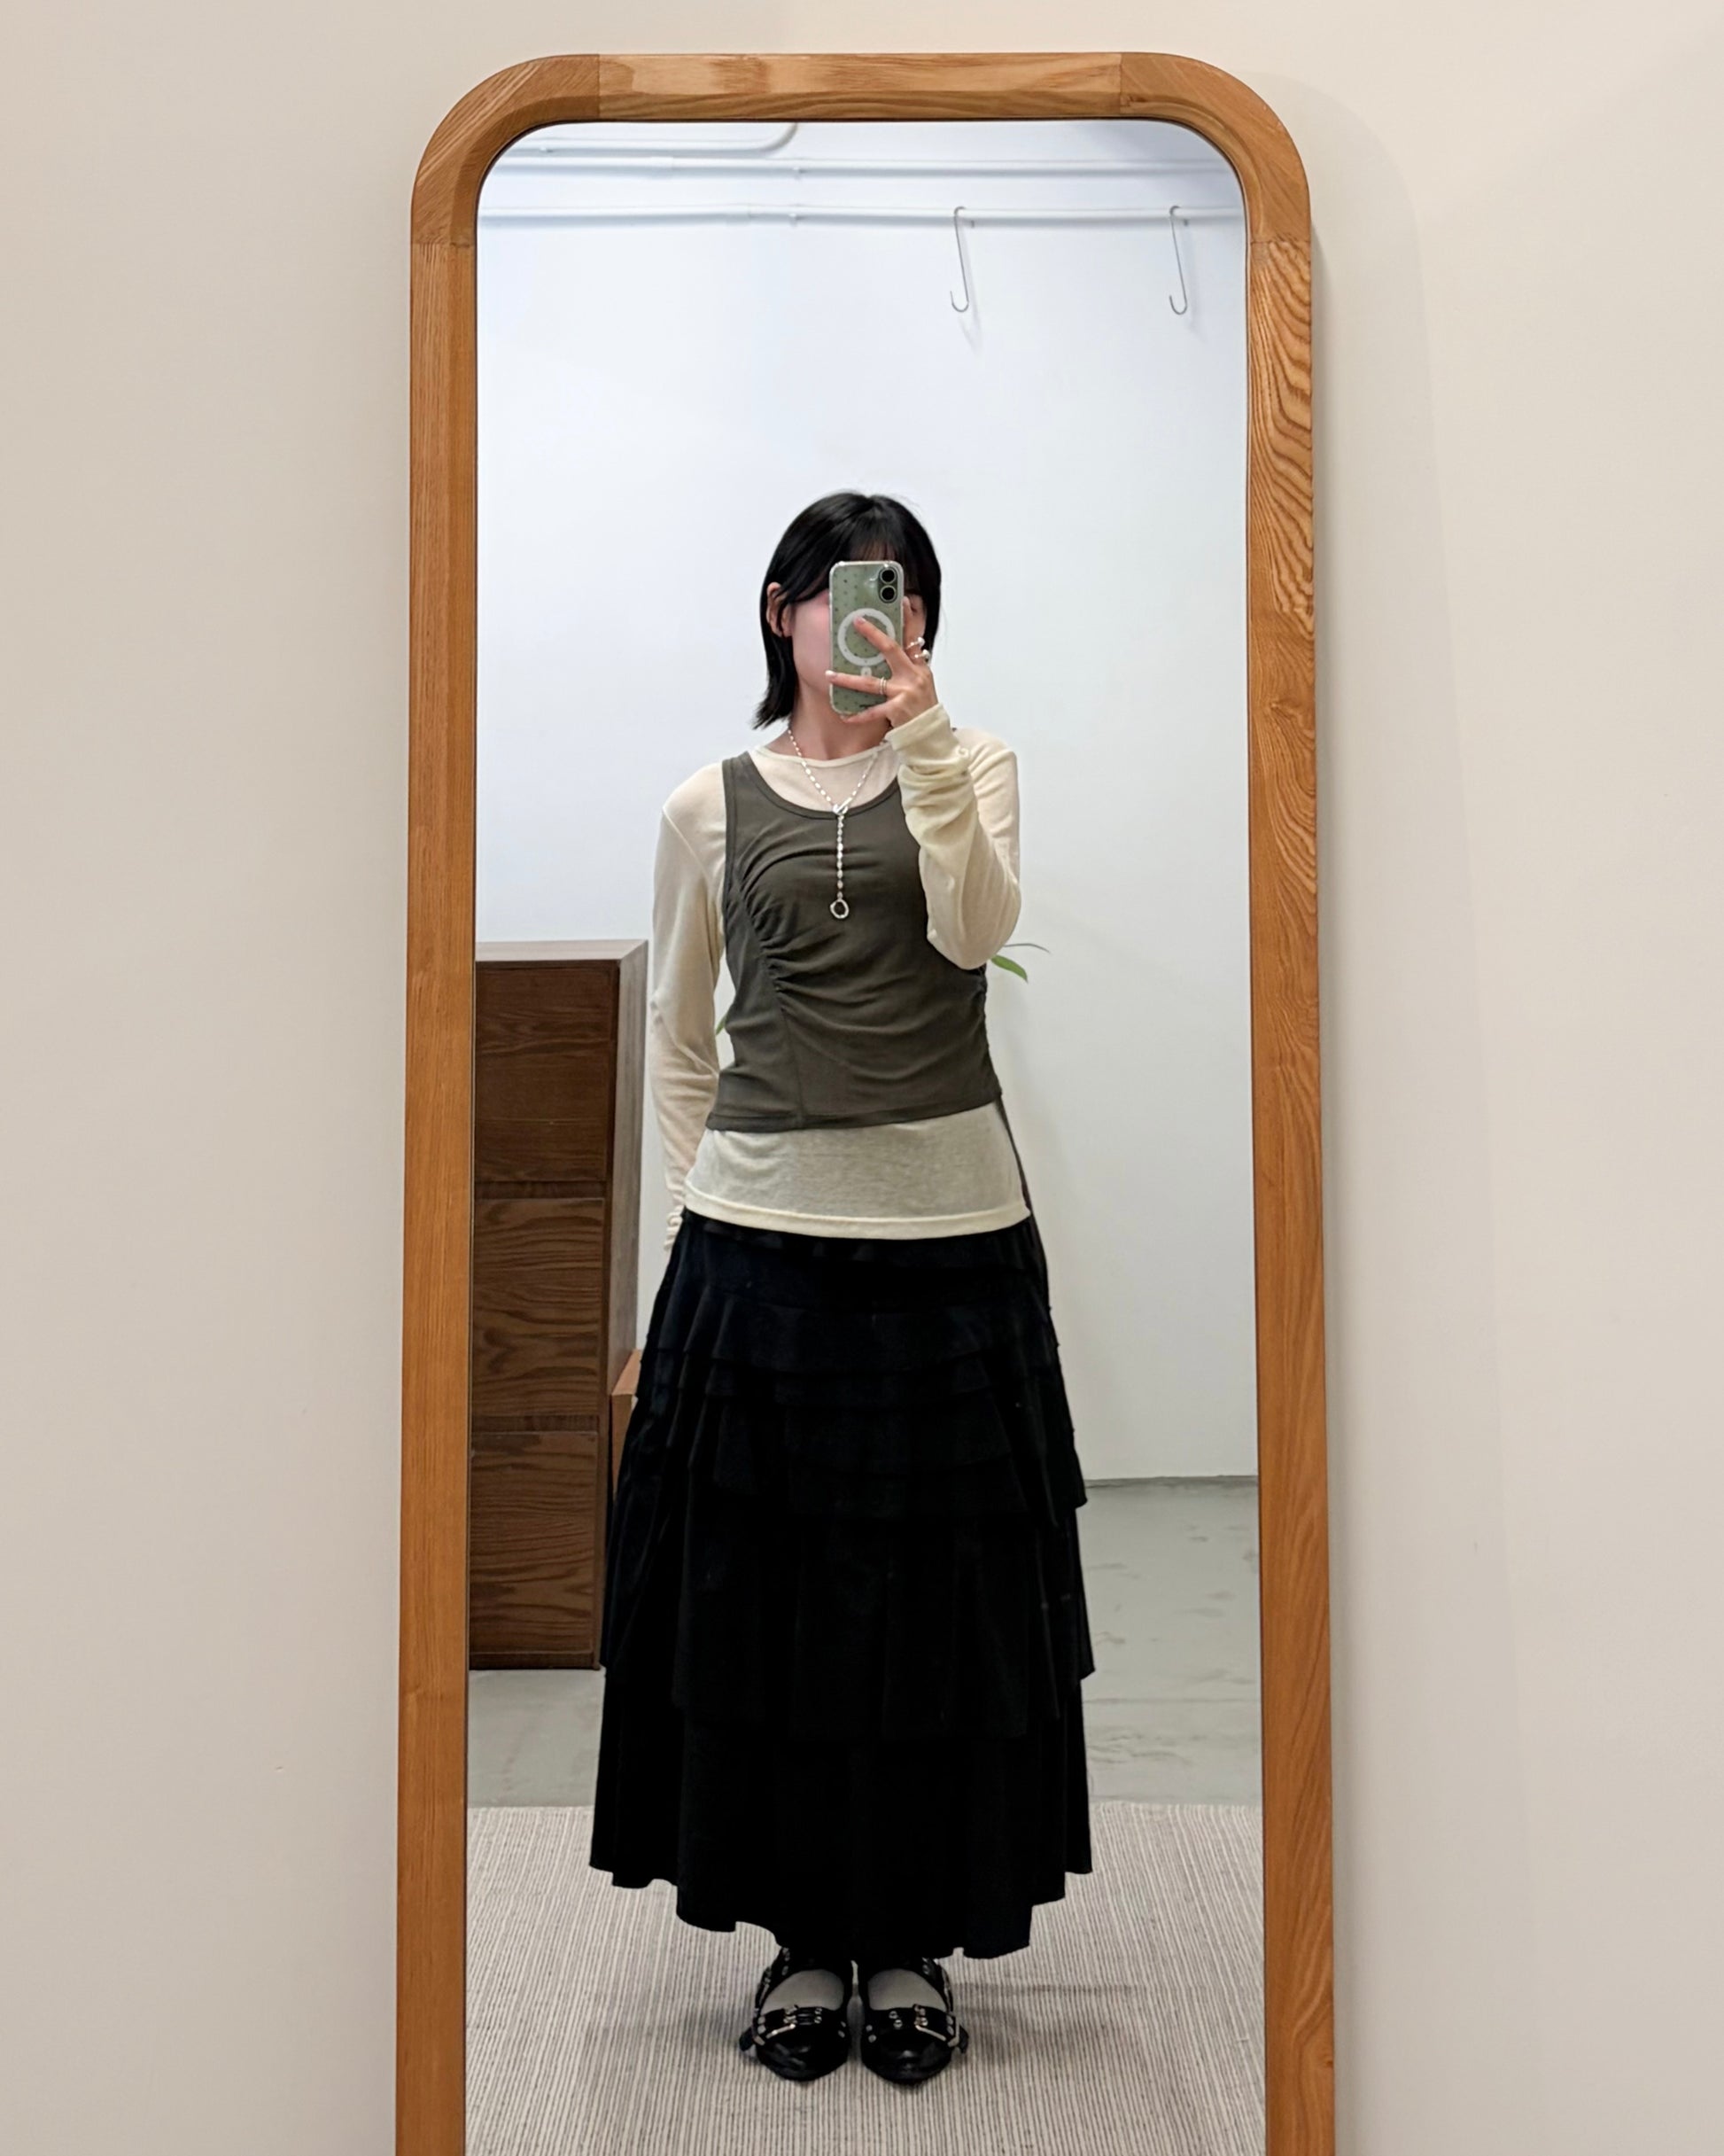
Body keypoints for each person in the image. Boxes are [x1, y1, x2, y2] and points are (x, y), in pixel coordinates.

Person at [588, 490, 1094, 2087]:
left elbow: (975, 928)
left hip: (953, 1243)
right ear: (781, 608)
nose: (884, 621)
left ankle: (913, 1938)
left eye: (909, 600)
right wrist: (698, 1220)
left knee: (939, 1614)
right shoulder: (705, 804)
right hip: (755, 1253)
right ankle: (804, 1939)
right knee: (770, 1612)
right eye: (855, 593)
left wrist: (922, 736)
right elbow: (678, 1038)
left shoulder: (972, 763)